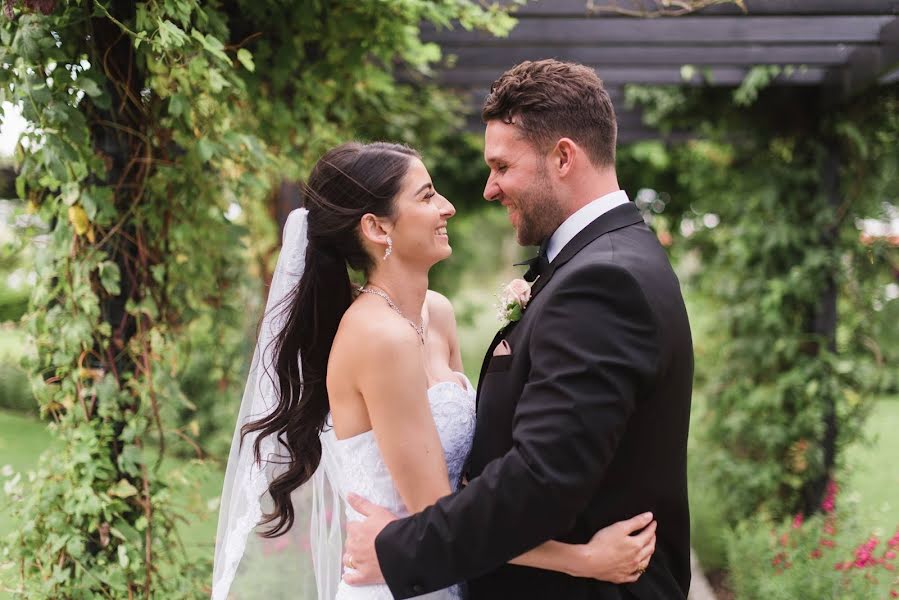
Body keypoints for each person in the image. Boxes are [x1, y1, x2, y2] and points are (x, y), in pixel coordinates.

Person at [211, 141, 657, 600]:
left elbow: (471, 472)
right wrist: (585, 560)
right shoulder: (381, 338)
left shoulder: (436, 315)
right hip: (401, 584)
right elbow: (438, 513)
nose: (447, 207)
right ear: (376, 227)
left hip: (446, 569)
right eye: (425, 196)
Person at [343, 60, 694, 599]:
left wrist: (398, 550)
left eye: (502, 166)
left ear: (562, 157)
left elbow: (541, 479)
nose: (488, 189)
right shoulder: (606, 257)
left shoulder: (602, 279)